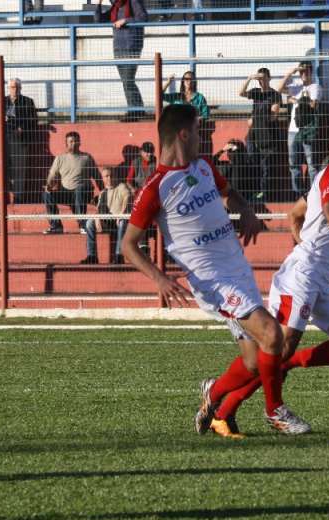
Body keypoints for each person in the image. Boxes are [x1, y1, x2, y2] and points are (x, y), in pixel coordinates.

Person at [199, 121, 329, 431]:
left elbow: (295, 214)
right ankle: (221, 401)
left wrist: (305, 241)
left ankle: (237, 393)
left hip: (323, 279)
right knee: (278, 349)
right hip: (301, 277)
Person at [122, 103, 309, 438]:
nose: (203, 137)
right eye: (198, 130)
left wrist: (246, 210)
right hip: (213, 281)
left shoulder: (205, 166)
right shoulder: (155, 187)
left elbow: (229, 193)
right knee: (272, 335)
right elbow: (128, 245)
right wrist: (160, 279)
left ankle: (213, 392)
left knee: (254, 362)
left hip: (237, 268)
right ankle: (275, 411)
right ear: (183, 134)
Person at [42, 131, 103, 235]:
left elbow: (97, 176)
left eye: (76, 141)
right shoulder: (60, 158)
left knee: (80, 189)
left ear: (80, 143)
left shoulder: (86, 158)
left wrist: (103, 192)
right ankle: (56, 226)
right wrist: (49, 185)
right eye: (71, 141)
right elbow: (52, 176)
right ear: (66, 143)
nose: (74, 143)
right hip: (66, 193)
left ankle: (83, 225)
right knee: (47, 194)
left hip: (84, 192)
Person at [97, 0, 147, 122]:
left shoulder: (133, 2)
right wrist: (98, 4)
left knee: (128, 79)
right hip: (118, 48)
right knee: (126, 81)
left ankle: (135, 111)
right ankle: (138, 109)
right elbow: (98, 19)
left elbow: (143, 17)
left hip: (132, 46)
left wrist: (125, 20)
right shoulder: (115, 7)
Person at [277, 61, 321, 197]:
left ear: (311, 72)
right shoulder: (295, 86)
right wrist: (291, 72)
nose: (304, 74)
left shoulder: (315, 87)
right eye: (301, 71)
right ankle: (297, 192)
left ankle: (313, 192)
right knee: (293, 163)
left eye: (306, 71)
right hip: (293, 129)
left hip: (308, 129)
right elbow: (278, 89)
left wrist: (296, 100)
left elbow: (313, 105)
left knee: (311, 163)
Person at [239, 67, 284, 201]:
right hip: (254, 133)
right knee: (252, 160)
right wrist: (249, 78)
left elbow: (273, 115)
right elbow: (241, 93)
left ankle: (264, 193)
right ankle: (254, 191)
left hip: (268, 134)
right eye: (260, 79)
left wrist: (256, 118)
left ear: (269, 78)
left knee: (266, 165)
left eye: (264, 78)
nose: (262, 81)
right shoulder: (255, 92)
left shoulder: (275, 94)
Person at [0, 78, 39, 203]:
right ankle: (4, 197)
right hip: (5, 139)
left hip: (20, 139)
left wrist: (22, 127)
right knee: (3, 168)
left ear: (20, 88)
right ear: (9, 88)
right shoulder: (4, 101)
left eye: (17, 87)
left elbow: (33, 120)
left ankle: (19, 198)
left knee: (20, 170)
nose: (15, 89)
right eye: (12, 87)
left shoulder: (27, 102)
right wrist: (3, 117)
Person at [82, 166, 133, 265]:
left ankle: (119, 255)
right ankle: (92, 256)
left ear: (115, 177)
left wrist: (121, 215)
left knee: (123, 222)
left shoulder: (121, 186)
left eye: (111, 176)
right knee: (89, 223)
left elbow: (128, 198)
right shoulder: (102, 193)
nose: (109, 178)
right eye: (106, 176)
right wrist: (97, 220)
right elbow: (98, 209)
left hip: (120, 221)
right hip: (107, 221)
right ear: (103, 178)